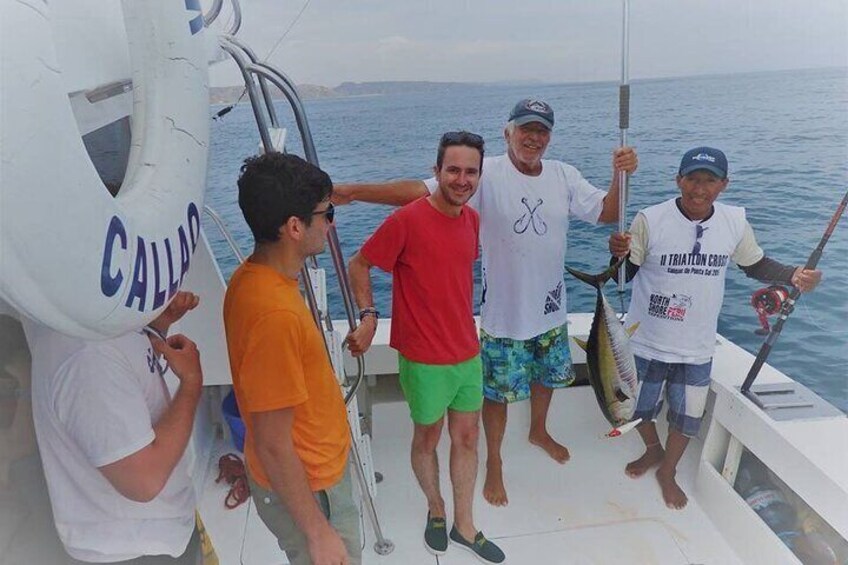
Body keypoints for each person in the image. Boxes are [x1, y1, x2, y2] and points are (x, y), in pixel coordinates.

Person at [334, 98, 638, 506]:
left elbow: (607, 212)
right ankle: (494, 461)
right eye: (525, 128)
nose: (533, 137)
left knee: (547, 378)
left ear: (549, 136)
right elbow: (416, 192)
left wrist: (620, 177)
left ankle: (539, 430)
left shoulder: (564, 175)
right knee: (495, 396)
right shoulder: (483, 173)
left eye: (542, 130)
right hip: (502, 315)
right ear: (507, 132)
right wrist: (353, 192)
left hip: (551, 309)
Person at [609, 146, 822, 509]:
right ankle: (653, 450)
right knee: (634, 410)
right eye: (692, 179)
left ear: (724, 184)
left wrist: (793, 275)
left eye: (709, 181)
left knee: (687, 418)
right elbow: (622, 276)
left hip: (696, 344)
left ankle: (669, 469)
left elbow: (754, 264)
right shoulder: (650, 218)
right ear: (678, 180)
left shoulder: (734, 221)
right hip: (645, 340)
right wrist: (617, 253)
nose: (699, 188)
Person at [346, 132, 505, 563]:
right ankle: (437, 508)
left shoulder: (471, 221)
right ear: (436, 172)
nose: (461, 179)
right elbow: (358, 264)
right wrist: (368, 315)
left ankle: (464, 524)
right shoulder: (407, 219)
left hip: (466, 353)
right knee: (428, 438)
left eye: (471, 171)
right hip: (423, 358)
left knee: (468, 438)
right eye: (452, 169)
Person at [223, 153, 360, 565]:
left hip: (315, 476)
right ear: (295, 227)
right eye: (326, 212)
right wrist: (318, 532)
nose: (331, 223)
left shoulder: (253, 278)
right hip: (313, 492)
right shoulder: (275, 316)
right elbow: (272, 442)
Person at [25, 291, 204, 564]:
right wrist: (191, 382)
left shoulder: (104, 322)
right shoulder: (87, 355)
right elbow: (143, 481)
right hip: (133, 551)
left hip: (156, 536)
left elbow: (127, 376)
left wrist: (158, 328)